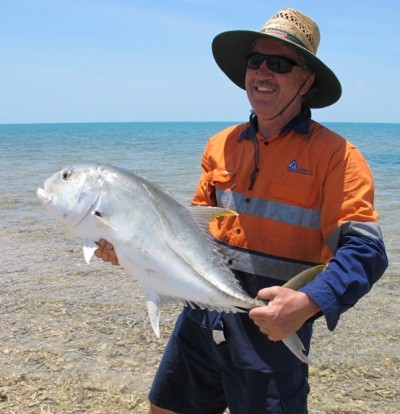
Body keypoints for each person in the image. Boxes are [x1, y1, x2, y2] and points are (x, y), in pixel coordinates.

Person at [96, 8, 388, 414]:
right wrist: (128, 246)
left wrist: (305, 304)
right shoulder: (220, 144)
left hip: (272, 332)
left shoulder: (338, 157)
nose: (263, 73)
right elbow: (185, 235)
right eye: (256, 61)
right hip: (200, 320)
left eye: (280, 63)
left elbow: (366, 253)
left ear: (307, 81)